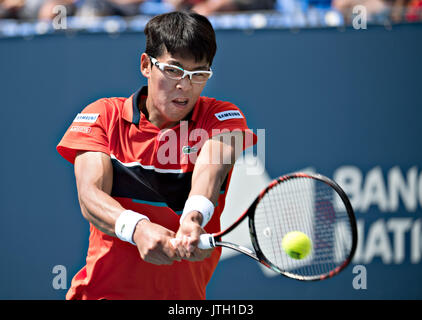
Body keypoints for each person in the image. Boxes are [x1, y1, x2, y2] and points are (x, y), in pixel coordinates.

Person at [57, 10, 256, 300]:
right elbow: (90, 196)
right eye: (174, 70)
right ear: (146, 65)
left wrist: (193, 217)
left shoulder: (223, 117)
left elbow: (210, 172)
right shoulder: (102, 116)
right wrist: (137, 228)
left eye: (198, 74)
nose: (185, 86)